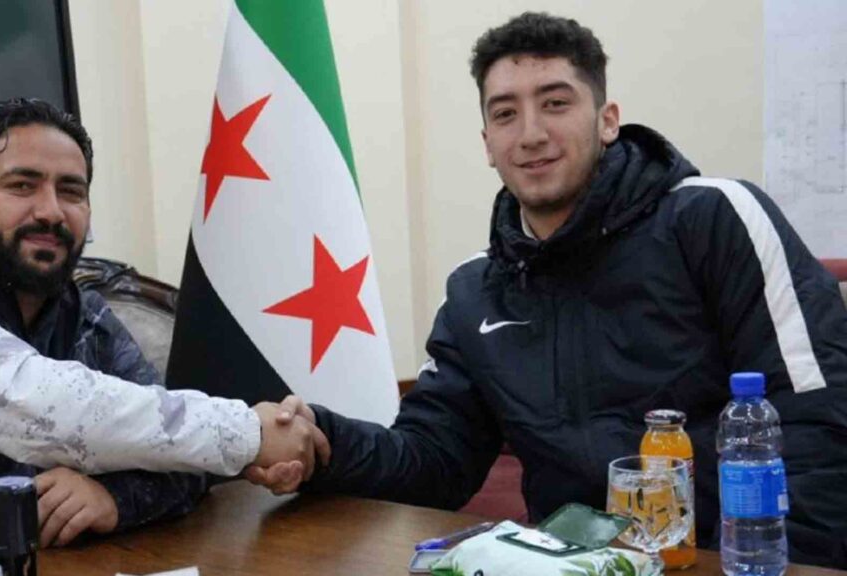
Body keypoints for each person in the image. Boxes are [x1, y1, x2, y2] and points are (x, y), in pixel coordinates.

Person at [248, 12, 847, 568]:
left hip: (724, 561)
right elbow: (433, 462)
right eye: (506, 114)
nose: (531, 134)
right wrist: (322, 442)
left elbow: (818, 420)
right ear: (487, 142)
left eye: (555, 103)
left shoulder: (715, 217)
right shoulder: (474, 292)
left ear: (607, 119)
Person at [0, 98, 327, 547]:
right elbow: (45, 408)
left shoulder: (81, 316)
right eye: (22, 186)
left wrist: (113, 499)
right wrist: (249, 433)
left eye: (71, 191)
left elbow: (174, 450)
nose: (50, 211)